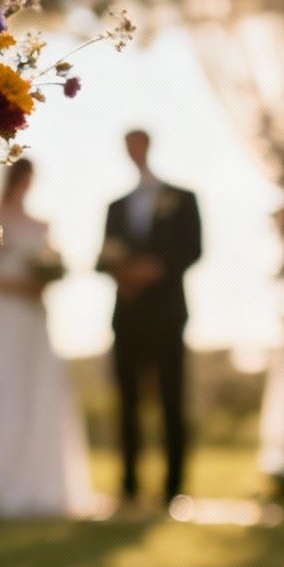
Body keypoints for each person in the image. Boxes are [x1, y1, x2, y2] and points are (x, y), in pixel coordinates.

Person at [0, 161, 100, 519]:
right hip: (6, 318)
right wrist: (22, 284)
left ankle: (38, 483)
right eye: (22, 178)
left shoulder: (42, 224)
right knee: (2, 396)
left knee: (38, 394)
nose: (26, 184)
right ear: (12, 178)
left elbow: (50, 263)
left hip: (36, 321)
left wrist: (46, 276)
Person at [98, 128, 203, 509]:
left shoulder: (182, 198)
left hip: (168, 314)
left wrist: (154, 270)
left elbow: (194, 249)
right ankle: (128, 488)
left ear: (147, 145)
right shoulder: (116, 206)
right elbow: (102, 258)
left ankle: (174, 488)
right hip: (126, 316)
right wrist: (123, 274)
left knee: (172, 401)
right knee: (126, 404)